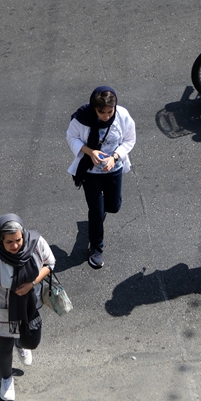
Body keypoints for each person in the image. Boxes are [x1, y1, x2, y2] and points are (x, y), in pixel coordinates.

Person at [0, 214, 55, 401]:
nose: (15, 246)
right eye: (9, 242)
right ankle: (6, 379)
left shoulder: (36, 243)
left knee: (31, 341)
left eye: (18, 240)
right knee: (3, 346)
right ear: (0, 240)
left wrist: (32, 283)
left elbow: (50, 263)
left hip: (29, 306)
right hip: (1, 310)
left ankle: (21, 344)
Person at [67, 86, 136, 269]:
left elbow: (129, 140)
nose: (105, 116)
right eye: (101, 112)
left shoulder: (122, 116)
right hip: (91, 173)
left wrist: (114, 157)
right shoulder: (82, 118)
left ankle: (100, 213)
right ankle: (96, 248)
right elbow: (71, 137)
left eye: (109, 112)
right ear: (93, 108)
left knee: (113, 206)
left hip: (114, 169)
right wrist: (90, 152)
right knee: (96, 212)